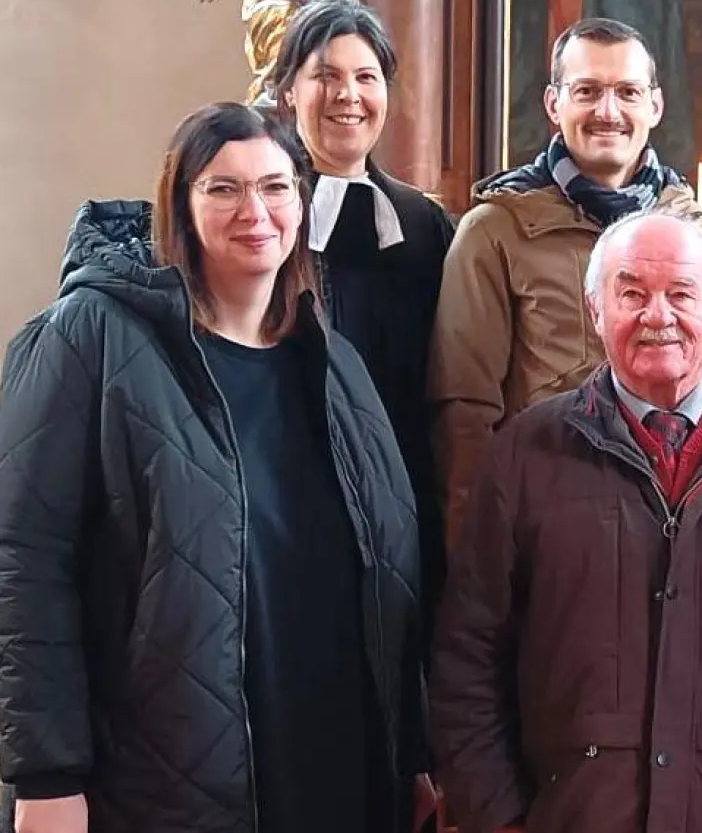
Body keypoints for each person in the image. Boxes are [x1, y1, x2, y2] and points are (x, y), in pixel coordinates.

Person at [0, 103, 428, 833]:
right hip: (162, 766)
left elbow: (391, 574)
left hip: (333, 754)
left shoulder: (334, 364)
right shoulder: (90, 338)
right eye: (222, 188)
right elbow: (25, 562)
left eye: (275, 186)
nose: (253, 211)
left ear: (300, 201)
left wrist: (411, 751)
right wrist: (46, 775)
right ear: (181, 203)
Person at [428, 208, 702, 833]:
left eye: (682, 294)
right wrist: (502, 818)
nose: (657, 315)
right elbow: (467, 661)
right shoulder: (527, 455)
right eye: (631, 292)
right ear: (595, 310)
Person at [430, 16, 702, 551]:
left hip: (680, 529)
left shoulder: (701, 236)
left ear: (654, 106)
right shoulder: (496, 232)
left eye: (627, 92)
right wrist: (477, 562)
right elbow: (466, 419)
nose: (609, 112)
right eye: (587, 91)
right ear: (554, 104)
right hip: (550, 530)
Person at [267, 0, 455, 626]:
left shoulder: (422, 225)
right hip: (285, 501)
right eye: (325, 75)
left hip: (402, 502)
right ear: (289, 90)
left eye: (365, 77)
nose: (348, 95)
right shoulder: (260, 216)